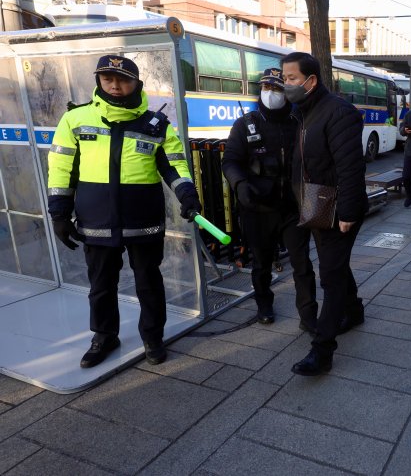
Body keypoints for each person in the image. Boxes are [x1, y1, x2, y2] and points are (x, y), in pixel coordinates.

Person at [47, 55, 202, 368]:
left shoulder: (156, 125)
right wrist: (59, 213)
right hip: (97, 221)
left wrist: (187, 194)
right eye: (107, 79)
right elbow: (62, 166)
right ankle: (104, 336)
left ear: (137, 83)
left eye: (123, 80)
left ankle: (153, 336)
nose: (115, 86)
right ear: (99, 82)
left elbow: (175, 165)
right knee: (101, 285)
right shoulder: (75, 120)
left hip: (143, 221)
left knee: (149, 282)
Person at [281, 52, 369, 376]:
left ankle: (322, 349)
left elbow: (351, 166)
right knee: (337, 266)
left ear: (311, 80)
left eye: (291, 78)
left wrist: (347, 211)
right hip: (316, 203)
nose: (285, 83)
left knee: (330, 275)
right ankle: (355, 310)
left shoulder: (337, 112)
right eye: (284, 77)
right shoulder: (302, 113)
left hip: (339, 208)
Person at [221, 68, 317, 330]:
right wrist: (239, 183)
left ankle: (308, 315)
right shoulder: (246, 124)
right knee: (261, 264)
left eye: (277, 88)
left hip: (293, 207)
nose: (271, 93)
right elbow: (230, 160)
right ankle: (264, 305)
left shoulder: (299, 122)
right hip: (258, 207)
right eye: (267, 88)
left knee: (302, 264)